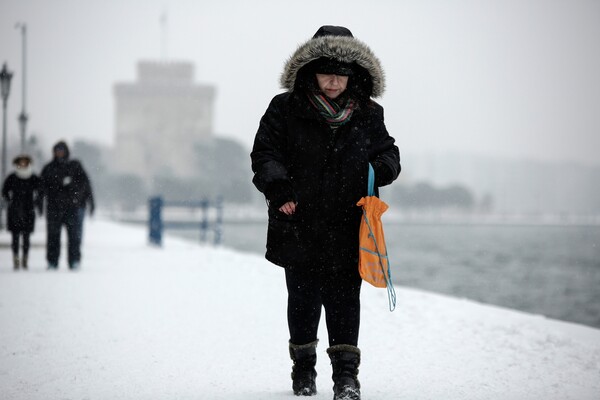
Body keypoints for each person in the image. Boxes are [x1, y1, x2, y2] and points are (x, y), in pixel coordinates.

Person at [251, 26, 400, 400]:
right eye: (326, 72)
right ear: (309, 71)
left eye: (342, 74)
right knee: (302, 300)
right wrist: (280, 188)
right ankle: (303, 372)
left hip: (350, 224)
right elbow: (264, 154)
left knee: (345, 301)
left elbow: (389, 154)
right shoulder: (284, 108)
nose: (333, 81)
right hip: (298, 221)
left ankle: (346, 378)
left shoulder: (369, 112)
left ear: (355, 75)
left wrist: (378, 170)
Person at [40, 141, 95, 270]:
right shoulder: (48, 168)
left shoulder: (75, 166)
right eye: (57, 150)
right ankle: (52, 262)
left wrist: (90, 202)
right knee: (53, 236)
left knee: (74, 237)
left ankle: (74, 261)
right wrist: (39, 204)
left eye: (62, 150)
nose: (59, 153)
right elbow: (41, 188)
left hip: (72, 208)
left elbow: (86, 185)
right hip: (54, 208)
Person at [2, 155, 43, 270]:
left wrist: (36, 203)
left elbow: (40, 191)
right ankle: (15, 258)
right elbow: (4, 190)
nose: (23, 163)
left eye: (25, 161)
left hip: (28, 210)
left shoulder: (33, 177)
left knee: (26, 237)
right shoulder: (12, 177)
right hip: (14, 210)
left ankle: (25, 258)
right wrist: (9, 201)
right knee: (15, 237)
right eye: (21, 162)